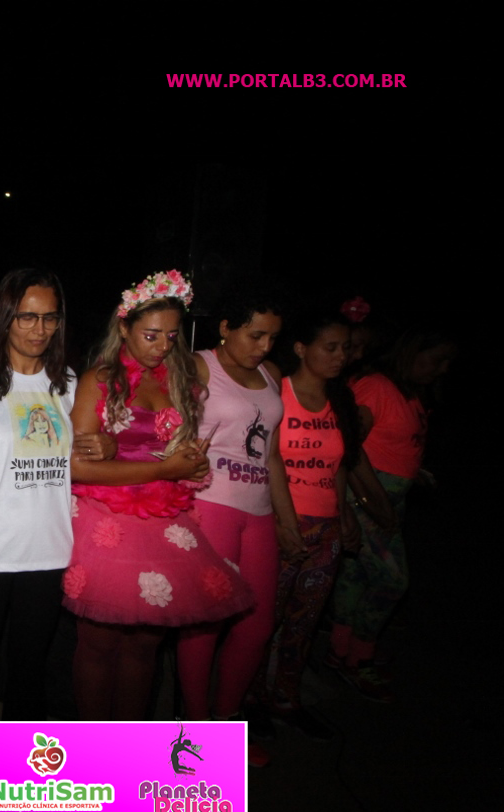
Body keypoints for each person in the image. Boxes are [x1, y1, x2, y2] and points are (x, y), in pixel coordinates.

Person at [65, 271, 253, 721]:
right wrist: (165, 469)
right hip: (105, 518)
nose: (162, 346)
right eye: (150, 335)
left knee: (145, 645)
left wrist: (190, 465)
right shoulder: (99, 380)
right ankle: (93, 746)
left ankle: (133, 744)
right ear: (124, 328)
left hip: (163, 520)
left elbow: (178, 454)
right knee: (99, 643)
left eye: (171, 336)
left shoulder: (180, 382)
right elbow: (77, 466)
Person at [0, 268, 112, 721]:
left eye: (50, 318)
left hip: (48, 553)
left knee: (30, 674)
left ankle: (17, 761)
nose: (39, 329)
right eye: (27, 317)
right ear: (5, 317)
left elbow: (85, 456)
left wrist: (107, 445)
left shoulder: (66, 382)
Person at [176, 289, 302, 749]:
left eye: (272, 337)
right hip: (211, 504)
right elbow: (168, 431)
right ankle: (194, 727)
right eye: (255, 335)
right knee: (205, 622)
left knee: (258, 625)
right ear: (226, 328)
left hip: (260, 510)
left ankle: (227, 714)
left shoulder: (272, 374)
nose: (264, 346)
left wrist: (287, 519)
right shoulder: (198, 365)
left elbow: (273, 456)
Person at [328, 325, 455, 702]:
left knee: (354, 577)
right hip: (366, 501)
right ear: (413, 351)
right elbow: (349, 447)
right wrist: (372, 502)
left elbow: (393, 443)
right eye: (437, 359)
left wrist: (413, 472)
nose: (443, 369)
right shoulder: (376, 386)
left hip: (388, 499)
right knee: (392, 581)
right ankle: (359, 657)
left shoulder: (409, 391)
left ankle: (340, 651)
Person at [253, 313, 363, 740]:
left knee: (304, 623)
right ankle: (249, 700)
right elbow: (266, 461)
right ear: (300, 348)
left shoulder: (341, 400)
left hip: (326, 530)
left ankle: (286, 699)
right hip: (282, 524)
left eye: (345, 348)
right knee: (264, 621)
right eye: (330, 347)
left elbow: (340, 465)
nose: (340, 356)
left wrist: (345, 513)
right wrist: (283, 522)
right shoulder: (276, 393)